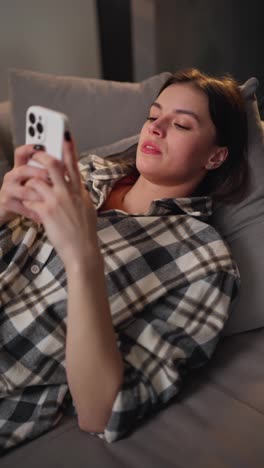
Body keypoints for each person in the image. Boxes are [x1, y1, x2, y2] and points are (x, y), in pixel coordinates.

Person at [0, 68, 248, 452]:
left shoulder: (204, 259)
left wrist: (83, 258)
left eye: (181, 124)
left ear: (215, 156)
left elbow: (104, 412)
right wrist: (2, 210)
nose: (157, 128)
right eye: (153, 116)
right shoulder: (88, 172)